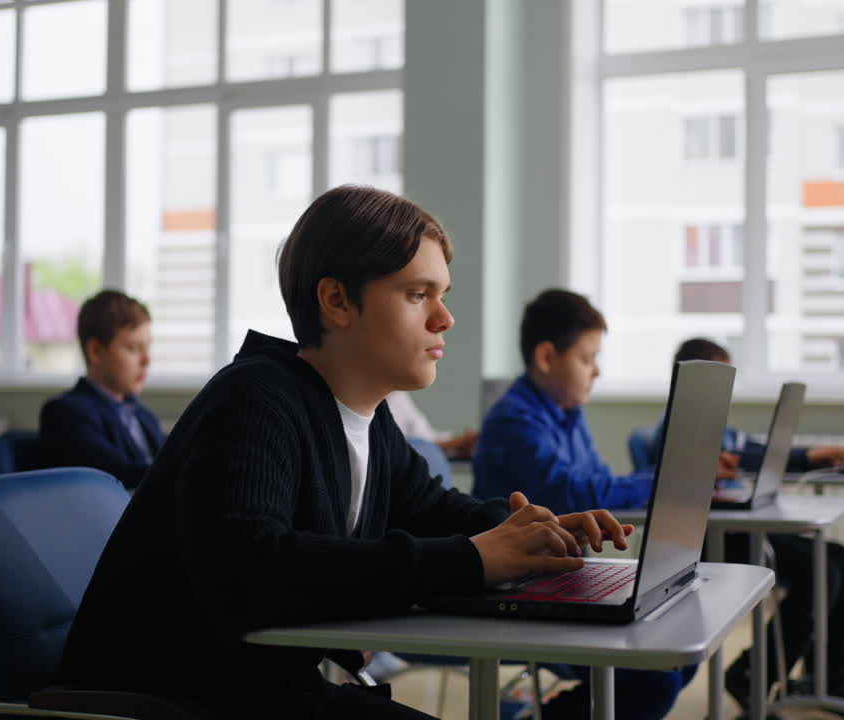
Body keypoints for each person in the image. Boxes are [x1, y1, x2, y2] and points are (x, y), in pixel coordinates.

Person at [54, 186, 634, 719]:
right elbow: (249, 571)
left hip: (262, 689)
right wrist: (474, 557)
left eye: (442, 295)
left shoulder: (366, 416)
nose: (444, 317)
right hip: (170, 700)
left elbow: (435, 509)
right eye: (417, 294)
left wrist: (533, 532)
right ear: (336, 300)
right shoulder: (255, 397)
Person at [472, 289, 728, 720]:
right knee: (656, 676)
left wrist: (662, 483)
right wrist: (665, 483)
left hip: (568, 580)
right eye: (588, 359)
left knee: (679, 649)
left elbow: (600, 483)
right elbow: (578, 493)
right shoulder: (513, 421)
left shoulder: (568, 414)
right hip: (519, 592)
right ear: (547, 357)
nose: (597, 371)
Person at [659, 338, 844, 714]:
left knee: (841, 560)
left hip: (743, 528)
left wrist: (807, 455)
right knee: (823, 572)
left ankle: (837, 675)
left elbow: (753, 451)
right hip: (716, 539)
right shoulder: (679, 426)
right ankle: (750, 674)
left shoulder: (717, 424)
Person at [39, 289, 163, 489]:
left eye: (147, 347)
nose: (146, 360)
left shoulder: (143, 415)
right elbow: (116, 476)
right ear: (96, 351)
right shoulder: (65, 413)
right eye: (133, 348)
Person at [385, 391, 479, 459]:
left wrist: (459, 443)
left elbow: (425, 439)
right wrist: (458, 442)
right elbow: (414, 447)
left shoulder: (397, 395)